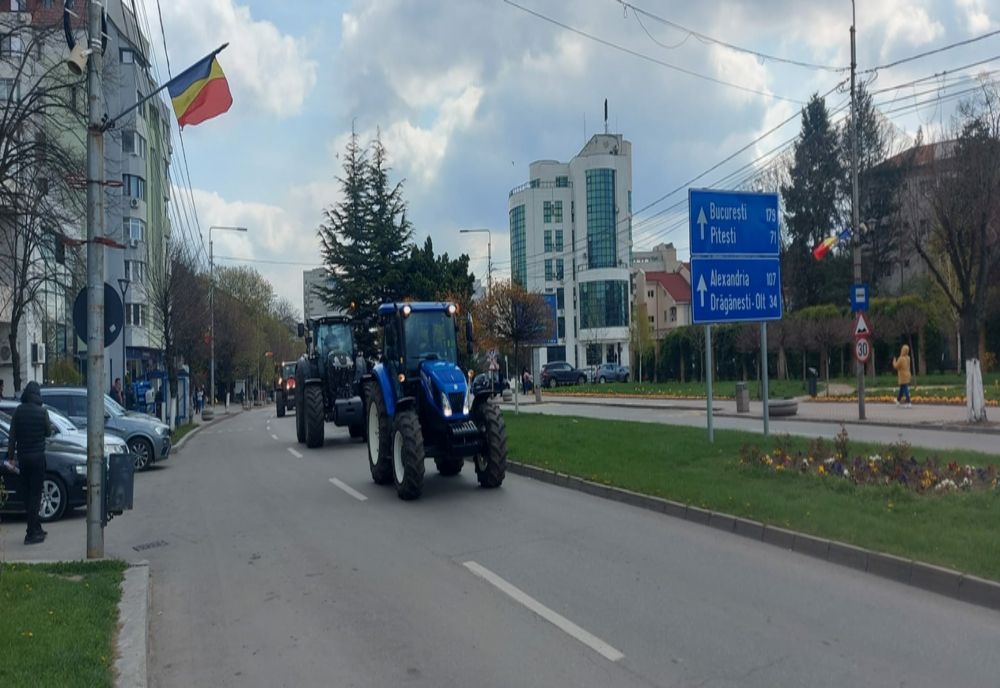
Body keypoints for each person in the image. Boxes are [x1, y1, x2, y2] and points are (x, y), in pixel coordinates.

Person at [6, 381, 54, 545]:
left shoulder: (18, 412)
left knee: (27, 495)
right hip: (38, 459)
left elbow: (12, 437)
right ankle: (31, 533)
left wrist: (11, 457)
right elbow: (48, 432)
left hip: (24, 460)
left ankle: (36, 527)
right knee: (36, 495)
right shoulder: (42, 412)